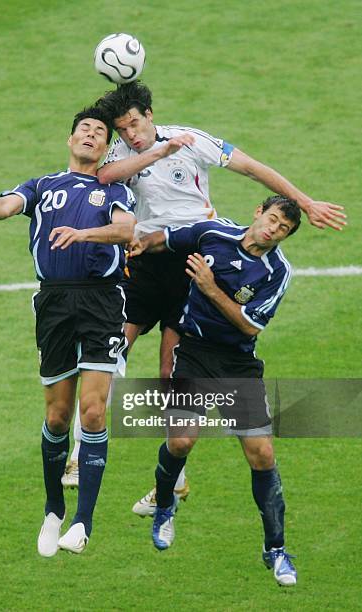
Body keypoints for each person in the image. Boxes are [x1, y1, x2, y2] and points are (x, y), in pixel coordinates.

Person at [60, 80, 345, 515]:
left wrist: (304, 203)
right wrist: (154, 153)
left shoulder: (192, 140)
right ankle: (81, 455)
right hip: (144, 258)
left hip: (192, 261)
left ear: (150, 114)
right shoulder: (125, 153)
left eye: (135, 123)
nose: (131, 134)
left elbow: (251, 167)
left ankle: (173, 482)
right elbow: (101, 177)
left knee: (171, 369)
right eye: (123, 129)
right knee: (111, 349)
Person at [0, 107, 136, 557]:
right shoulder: (43, 186)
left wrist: (84, 235)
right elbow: (6, 205)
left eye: (99, 132)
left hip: (101, 301)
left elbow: (126, 230)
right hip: (53, 304)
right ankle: (54, 508)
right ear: (70, 140)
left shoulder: (113, 187)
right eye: (84, 130)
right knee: (57, 416)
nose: (91, 135)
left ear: (107, 148)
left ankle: (82, 522)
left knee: (92, 412)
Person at [132, 195, 300, 586]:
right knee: (180, 442)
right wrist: (144, 243)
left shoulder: (277, 272)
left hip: (238, 366)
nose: (273, 230)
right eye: (272, 219)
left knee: (261, 454)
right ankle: (164, 507)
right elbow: (173, 237)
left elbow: (249, 327)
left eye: (283, 229)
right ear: (258, 213)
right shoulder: (214, 232)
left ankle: (275, 549)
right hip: (192, 353)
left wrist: (209, 288)